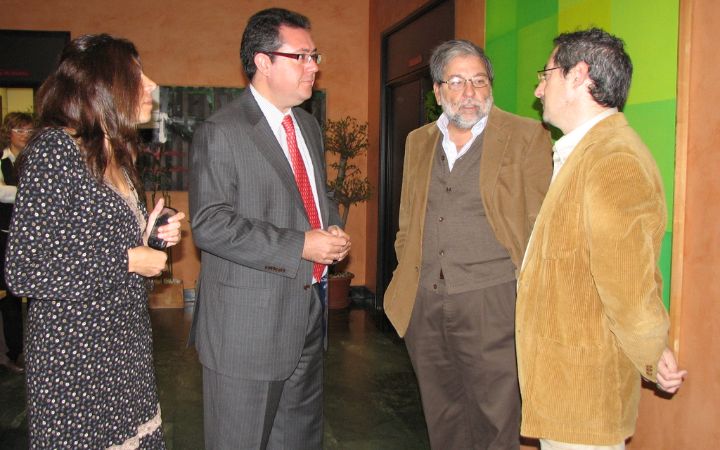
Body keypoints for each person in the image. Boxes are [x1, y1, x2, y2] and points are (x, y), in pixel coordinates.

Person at [5, 34, 184, 449]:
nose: (152, 86)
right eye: (137, 77)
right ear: (102, 86)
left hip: (124, 347)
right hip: (76, 359)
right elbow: (24, 269)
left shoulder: (114, 154)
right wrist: (127, 260)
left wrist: (152, 239)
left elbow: (99, 244)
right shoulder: (55, 150)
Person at [516, 28, 687, 450]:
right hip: (565, 386)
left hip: (585, 393)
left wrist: (652, 352)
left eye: (546, 75)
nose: (538, 90)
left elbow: (629, 284)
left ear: (578, 75)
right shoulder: (587, 152)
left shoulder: (614, 161)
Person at [189, 7, 350, 449]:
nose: (313, 66)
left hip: (307, 315)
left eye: (315, 56)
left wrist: (332, 228)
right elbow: (210, 224)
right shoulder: (221, 131)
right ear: (263, 61)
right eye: (301, 57)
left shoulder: (308, 126)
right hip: (247, 328)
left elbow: (317, 195)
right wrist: (301, 245)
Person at [383, 40, 553, 449]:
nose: (470, 92)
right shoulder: (418, 141)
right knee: (442, 415)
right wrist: (409, 267)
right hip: (425, 300)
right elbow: (408, 219)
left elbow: (541, 226)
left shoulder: (526, 135)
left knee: (497, 418)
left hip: (492, 300)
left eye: (479, 81)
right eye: (457, 82)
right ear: (438, 90)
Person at [0, 112, 33, 374]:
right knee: (10, 298)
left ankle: (35, 349)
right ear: (8, 133)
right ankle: (15, 352)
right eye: (19, 130)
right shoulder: (2, 161)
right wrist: (31, 192)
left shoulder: (35, 160)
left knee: (36, 297)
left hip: (33, 238)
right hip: (6, 236)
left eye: (29, 131)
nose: (25, 135)